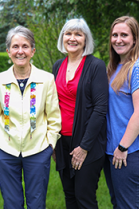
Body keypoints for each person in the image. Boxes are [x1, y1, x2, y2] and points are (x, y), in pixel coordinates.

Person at [0, 25, 61, 209]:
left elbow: (53, 116)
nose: (20, 51)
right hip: (5, 150)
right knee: (12, 204)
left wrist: (49, 144)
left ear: (33, 50)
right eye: (15, 46)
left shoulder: (46, 79)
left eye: (25, 46)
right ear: (8, 51)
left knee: (36, 204)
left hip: (37, 150)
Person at [52, 18, 109, 209]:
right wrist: (52, 142)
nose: (72, 38)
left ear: (86, 39)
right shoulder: (57, 66)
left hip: (88, 144)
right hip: (63, 142)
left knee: (84, 198)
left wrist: (84, 147)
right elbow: (52, 105)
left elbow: (101, 109)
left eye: (78, 34)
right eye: (68, 33)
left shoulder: (95, 66)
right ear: (62, 37)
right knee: (69, 196)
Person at [104, 16, 139, 208]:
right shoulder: (113, 68)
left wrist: (123, 147)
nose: (118, 39)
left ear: (135, 39)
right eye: (114, 35)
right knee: (119, 204)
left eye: (124, 35)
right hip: (114, 151)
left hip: (131, 152)